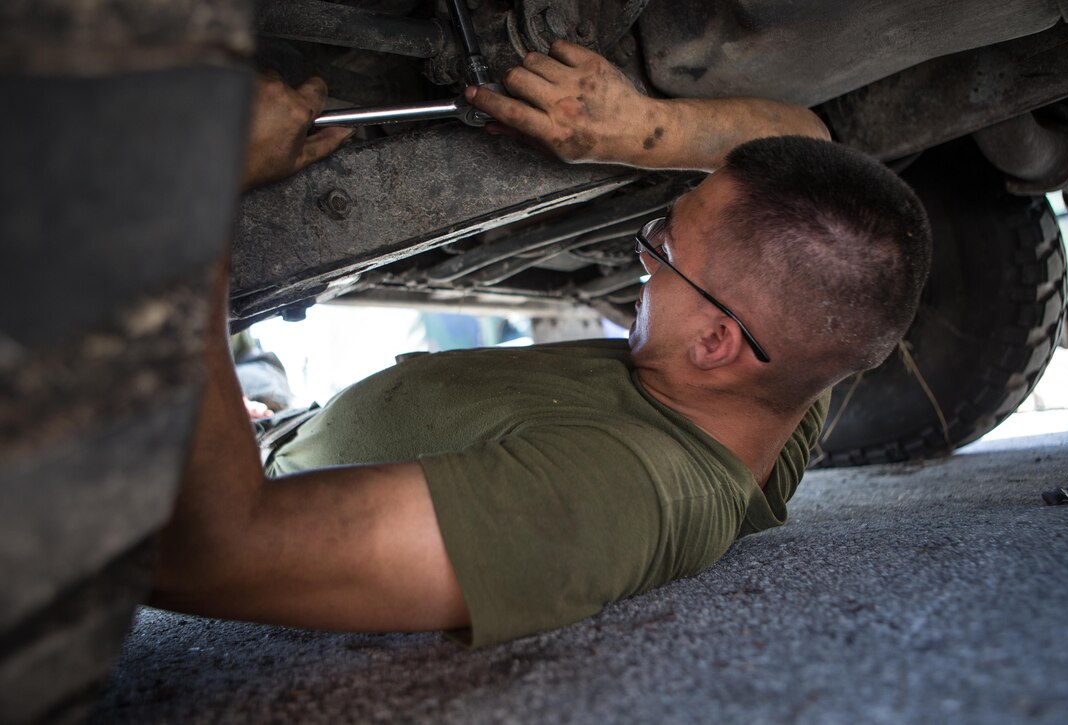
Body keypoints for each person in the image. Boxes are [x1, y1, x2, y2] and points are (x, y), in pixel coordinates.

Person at [152, 42, 931, 647]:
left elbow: (210, 551)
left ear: (718, 342)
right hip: (271, 432)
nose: (643, 253)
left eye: (662, 248)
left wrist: (193, 183)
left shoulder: (616, 495)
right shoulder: (782, 388)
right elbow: (817, 154)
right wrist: (639, 130)